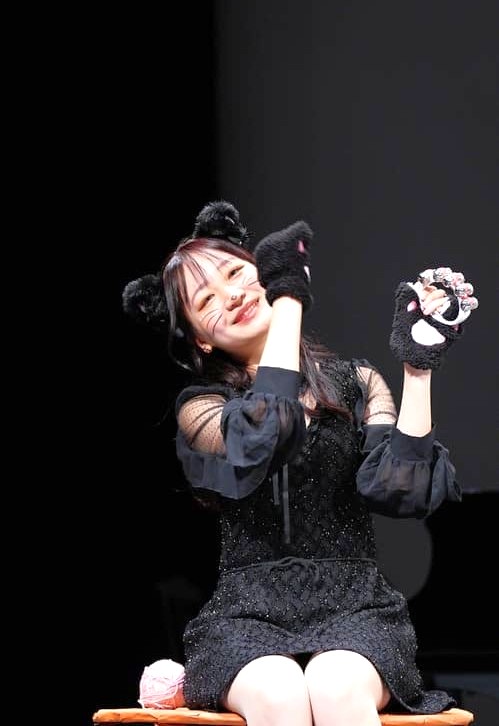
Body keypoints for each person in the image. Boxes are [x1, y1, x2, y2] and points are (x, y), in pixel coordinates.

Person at [122, 201, 479, 726]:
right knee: (279, 691)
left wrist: (417, 368)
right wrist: (288, 300)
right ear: (201, 339)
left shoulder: (357, 382)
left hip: (357, 609)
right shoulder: (202, 408)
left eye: (236, 274)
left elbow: (398, 491)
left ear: (264, 271)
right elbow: (266, 433)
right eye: (207, 300)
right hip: (245, 616)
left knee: (336, 686)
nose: (232, 295)